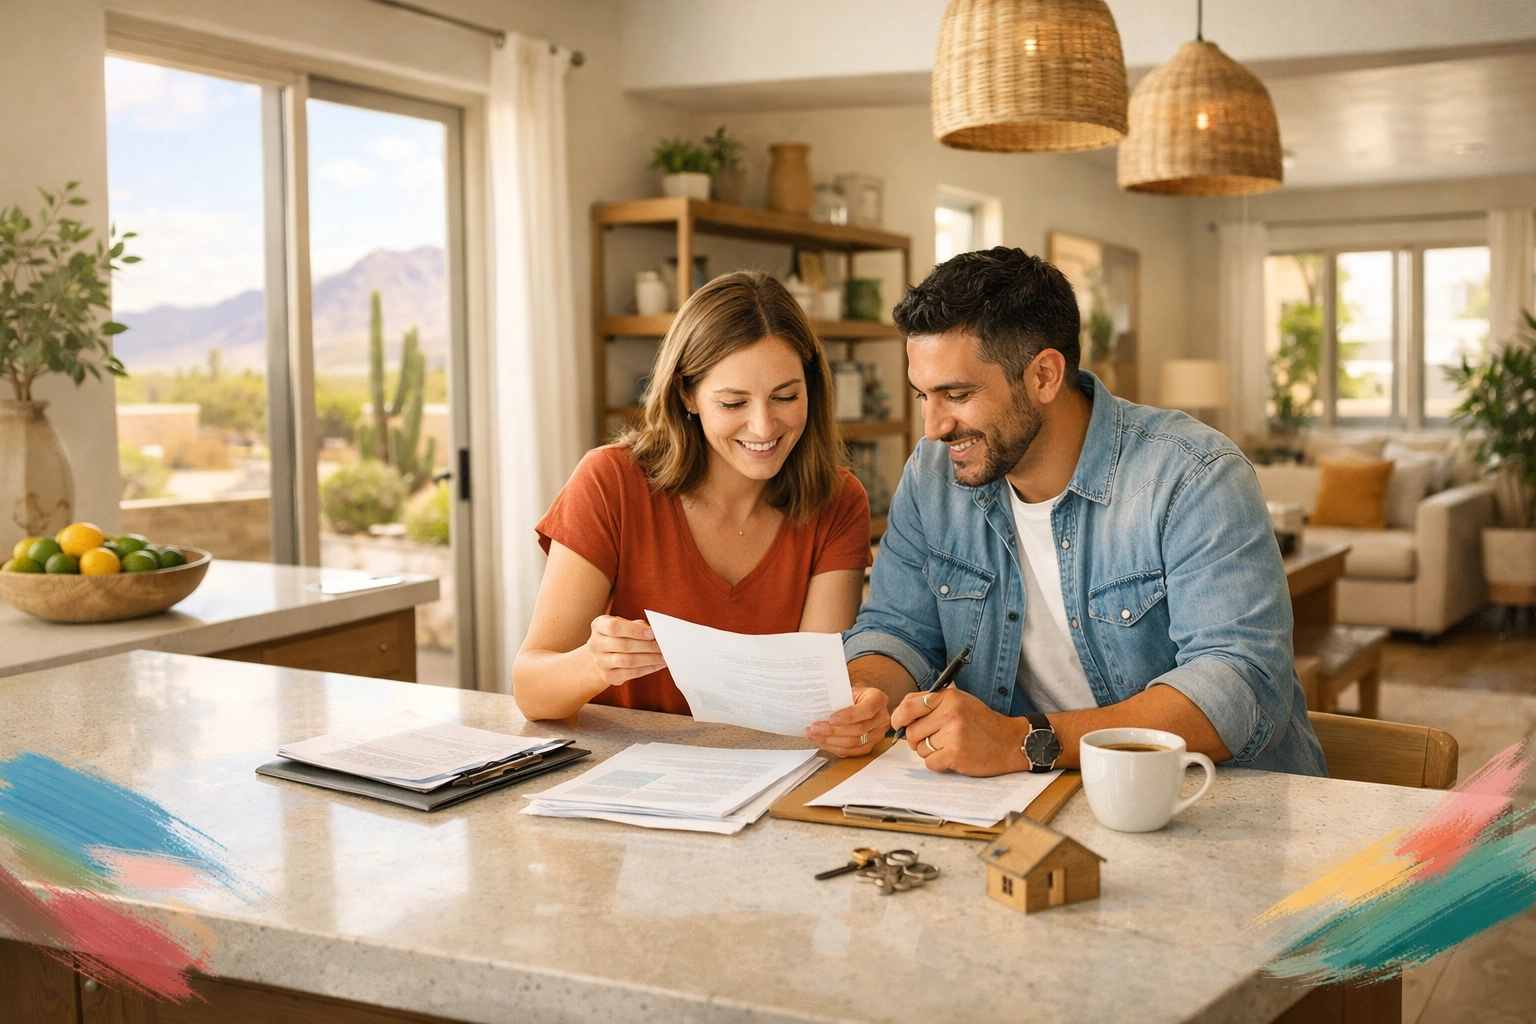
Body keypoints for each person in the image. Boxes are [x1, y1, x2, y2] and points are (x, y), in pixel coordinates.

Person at [807, 247, 1325, 777]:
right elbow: (898, 629)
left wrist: (1019, 742)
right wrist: (868, 690)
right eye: (923, 395)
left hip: (1216, 801)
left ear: (1045, 376)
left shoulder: (1194, 475)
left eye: (956, 394)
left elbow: (1239, 685)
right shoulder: (932, 475)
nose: (933, 427)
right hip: (1033, 799)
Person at [514, 271, 877, 723]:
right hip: (622, 776)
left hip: (765, 772)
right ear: (687, 394)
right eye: (733, 404)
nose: (764, 427)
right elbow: (531, 692)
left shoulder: (837, 500)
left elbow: (809, 707)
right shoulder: (610, 483)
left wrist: (851, 719)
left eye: (785, 396)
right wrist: (592, 663)